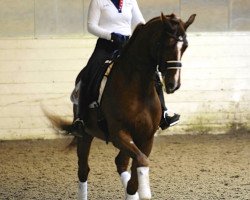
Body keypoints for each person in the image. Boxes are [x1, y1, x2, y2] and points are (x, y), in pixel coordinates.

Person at [72, 0, 180, 135]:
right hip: (106, 45)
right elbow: (91, 26)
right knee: (89, 73)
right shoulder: (99, 1)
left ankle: (164, 112)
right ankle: (80, 119)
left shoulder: (130, 1)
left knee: (152, 73)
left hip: (128, 45)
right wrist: (110, 35)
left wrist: (140, 38)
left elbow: (140, 23)